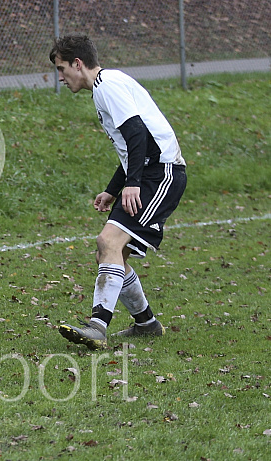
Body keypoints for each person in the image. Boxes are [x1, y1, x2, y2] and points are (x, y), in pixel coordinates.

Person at [49, 35, 187, 349]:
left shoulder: (106, 86)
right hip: (151, 171)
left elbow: (137, 134)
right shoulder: (108, 84)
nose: (60, 77)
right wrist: (114, 189)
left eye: (61, 68)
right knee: (111, 253)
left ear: (78, 64)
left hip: (160, 173)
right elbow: (131, 145)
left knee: (107, 241)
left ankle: (97, 327)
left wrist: (134, 182)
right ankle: (147, 324)